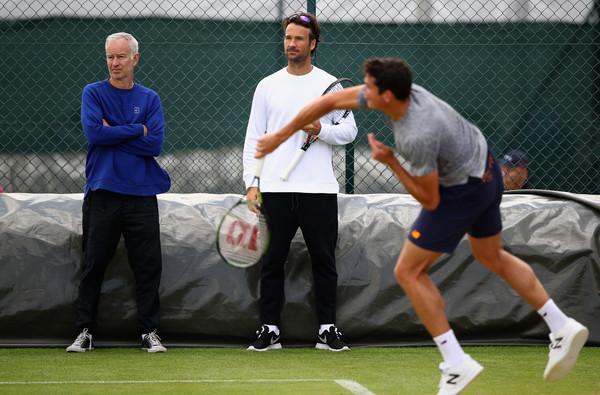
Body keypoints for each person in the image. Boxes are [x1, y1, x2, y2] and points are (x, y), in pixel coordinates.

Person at [254, 58, 588, 393]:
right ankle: (561, 325)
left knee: (409, 271)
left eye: (369, 87)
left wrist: (392, 163)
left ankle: (456, 362)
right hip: (487, 167)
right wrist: (280, 136)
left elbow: (429, 201)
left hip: (463, 189)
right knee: (493, 256)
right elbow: (327, 102)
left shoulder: (415, 135)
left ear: (386, 96)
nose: (362, 92)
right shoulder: (402, 91)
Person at [243, 12, 358, 352]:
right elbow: (254, 139)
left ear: (313, 44)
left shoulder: (332, 85)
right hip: (275, 191)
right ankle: (269, 330)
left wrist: (321, 130)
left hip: (318, 190)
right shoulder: (267, 86)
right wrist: (253, 183)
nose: (291, 44)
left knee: (324, 261)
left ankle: (326, 329)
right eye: (288, 38)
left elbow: (349, 130)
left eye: (298, 39)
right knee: (272, 260)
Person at [67, 32, 171, 353]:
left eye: (121, 57)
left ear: (135, 59)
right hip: (102, 192)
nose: (115, 63)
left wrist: (114, 130)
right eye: (110, 57)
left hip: (141, 194)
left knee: (148, 264)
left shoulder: (150, 98)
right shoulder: (92, 93)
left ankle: (149, 333)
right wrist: (133, 130)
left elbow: (154, 143)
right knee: (94, 263)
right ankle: (85, 332)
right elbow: (94, 134)